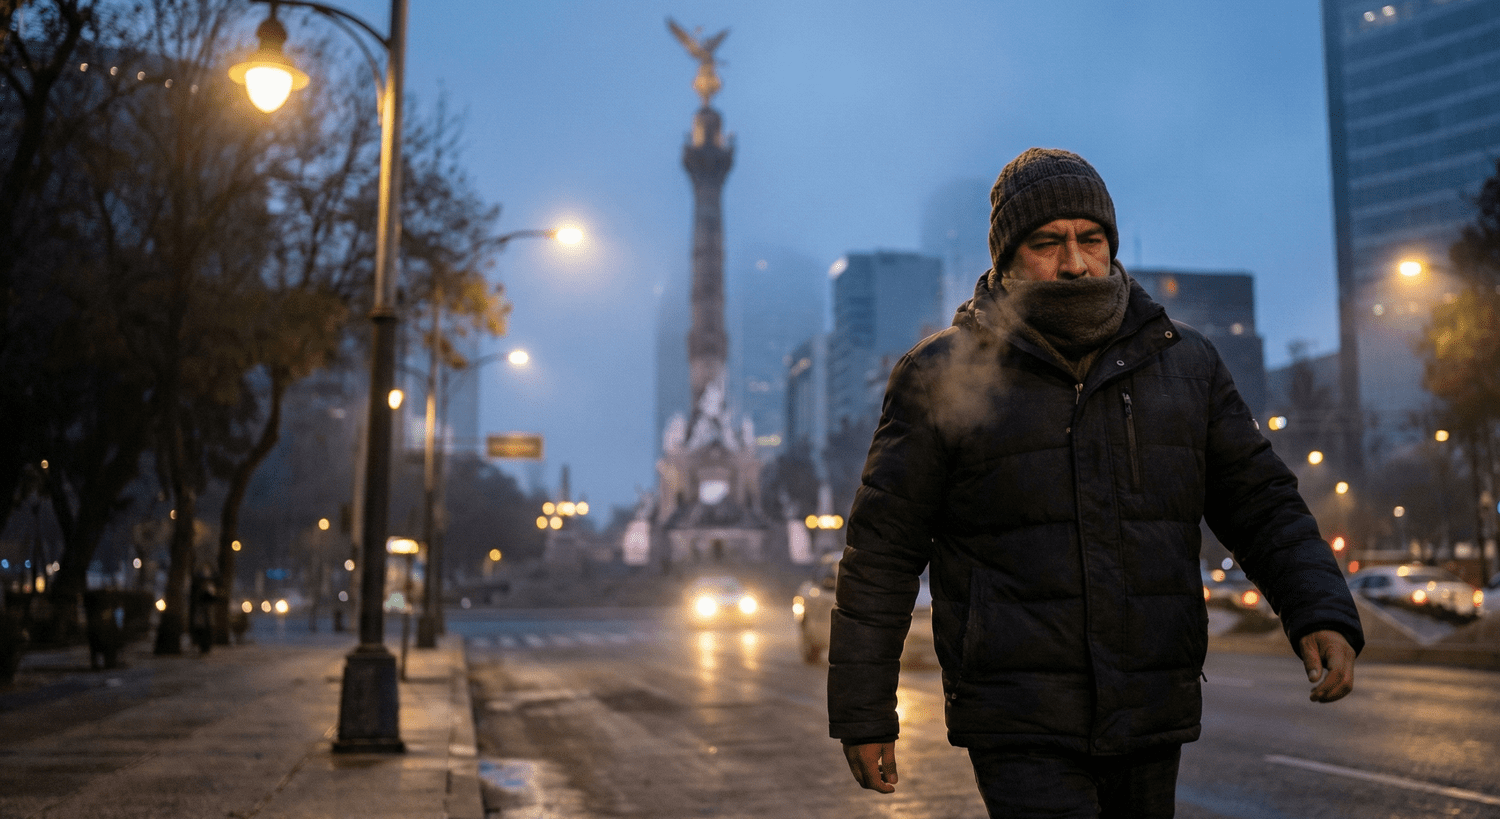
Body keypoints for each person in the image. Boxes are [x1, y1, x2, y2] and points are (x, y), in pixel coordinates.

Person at [827, 148, 1363, 818]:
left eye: (1091, 239)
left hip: (1150, 702)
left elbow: (1262, 503)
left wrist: (1319, 608)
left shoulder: (1184, 364)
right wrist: (865, 709)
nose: (1074, 262)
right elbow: (883, 552)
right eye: (1047, 243)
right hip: (1017, 714)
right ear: (1006, 259)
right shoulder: (941, 373)